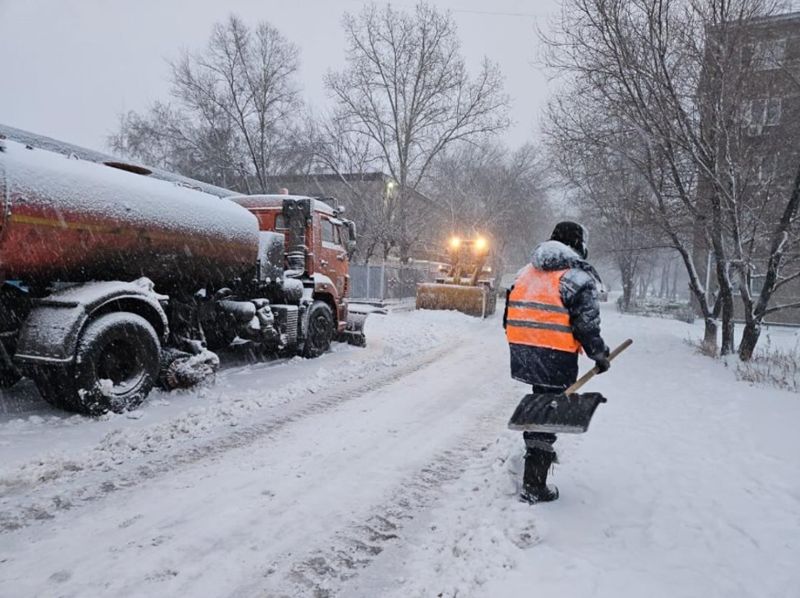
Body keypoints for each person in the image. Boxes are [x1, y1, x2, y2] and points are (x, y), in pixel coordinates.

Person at [503, 221, 610, 504]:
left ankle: (533, 462)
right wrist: (599, 355)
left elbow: (508, 314)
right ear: (579, 245)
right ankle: (534, 483)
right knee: (549, 411)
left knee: (542, 403)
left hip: (523, 351)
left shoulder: (526, 272)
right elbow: (587, 326)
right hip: (556, 355)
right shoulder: (577, 278)